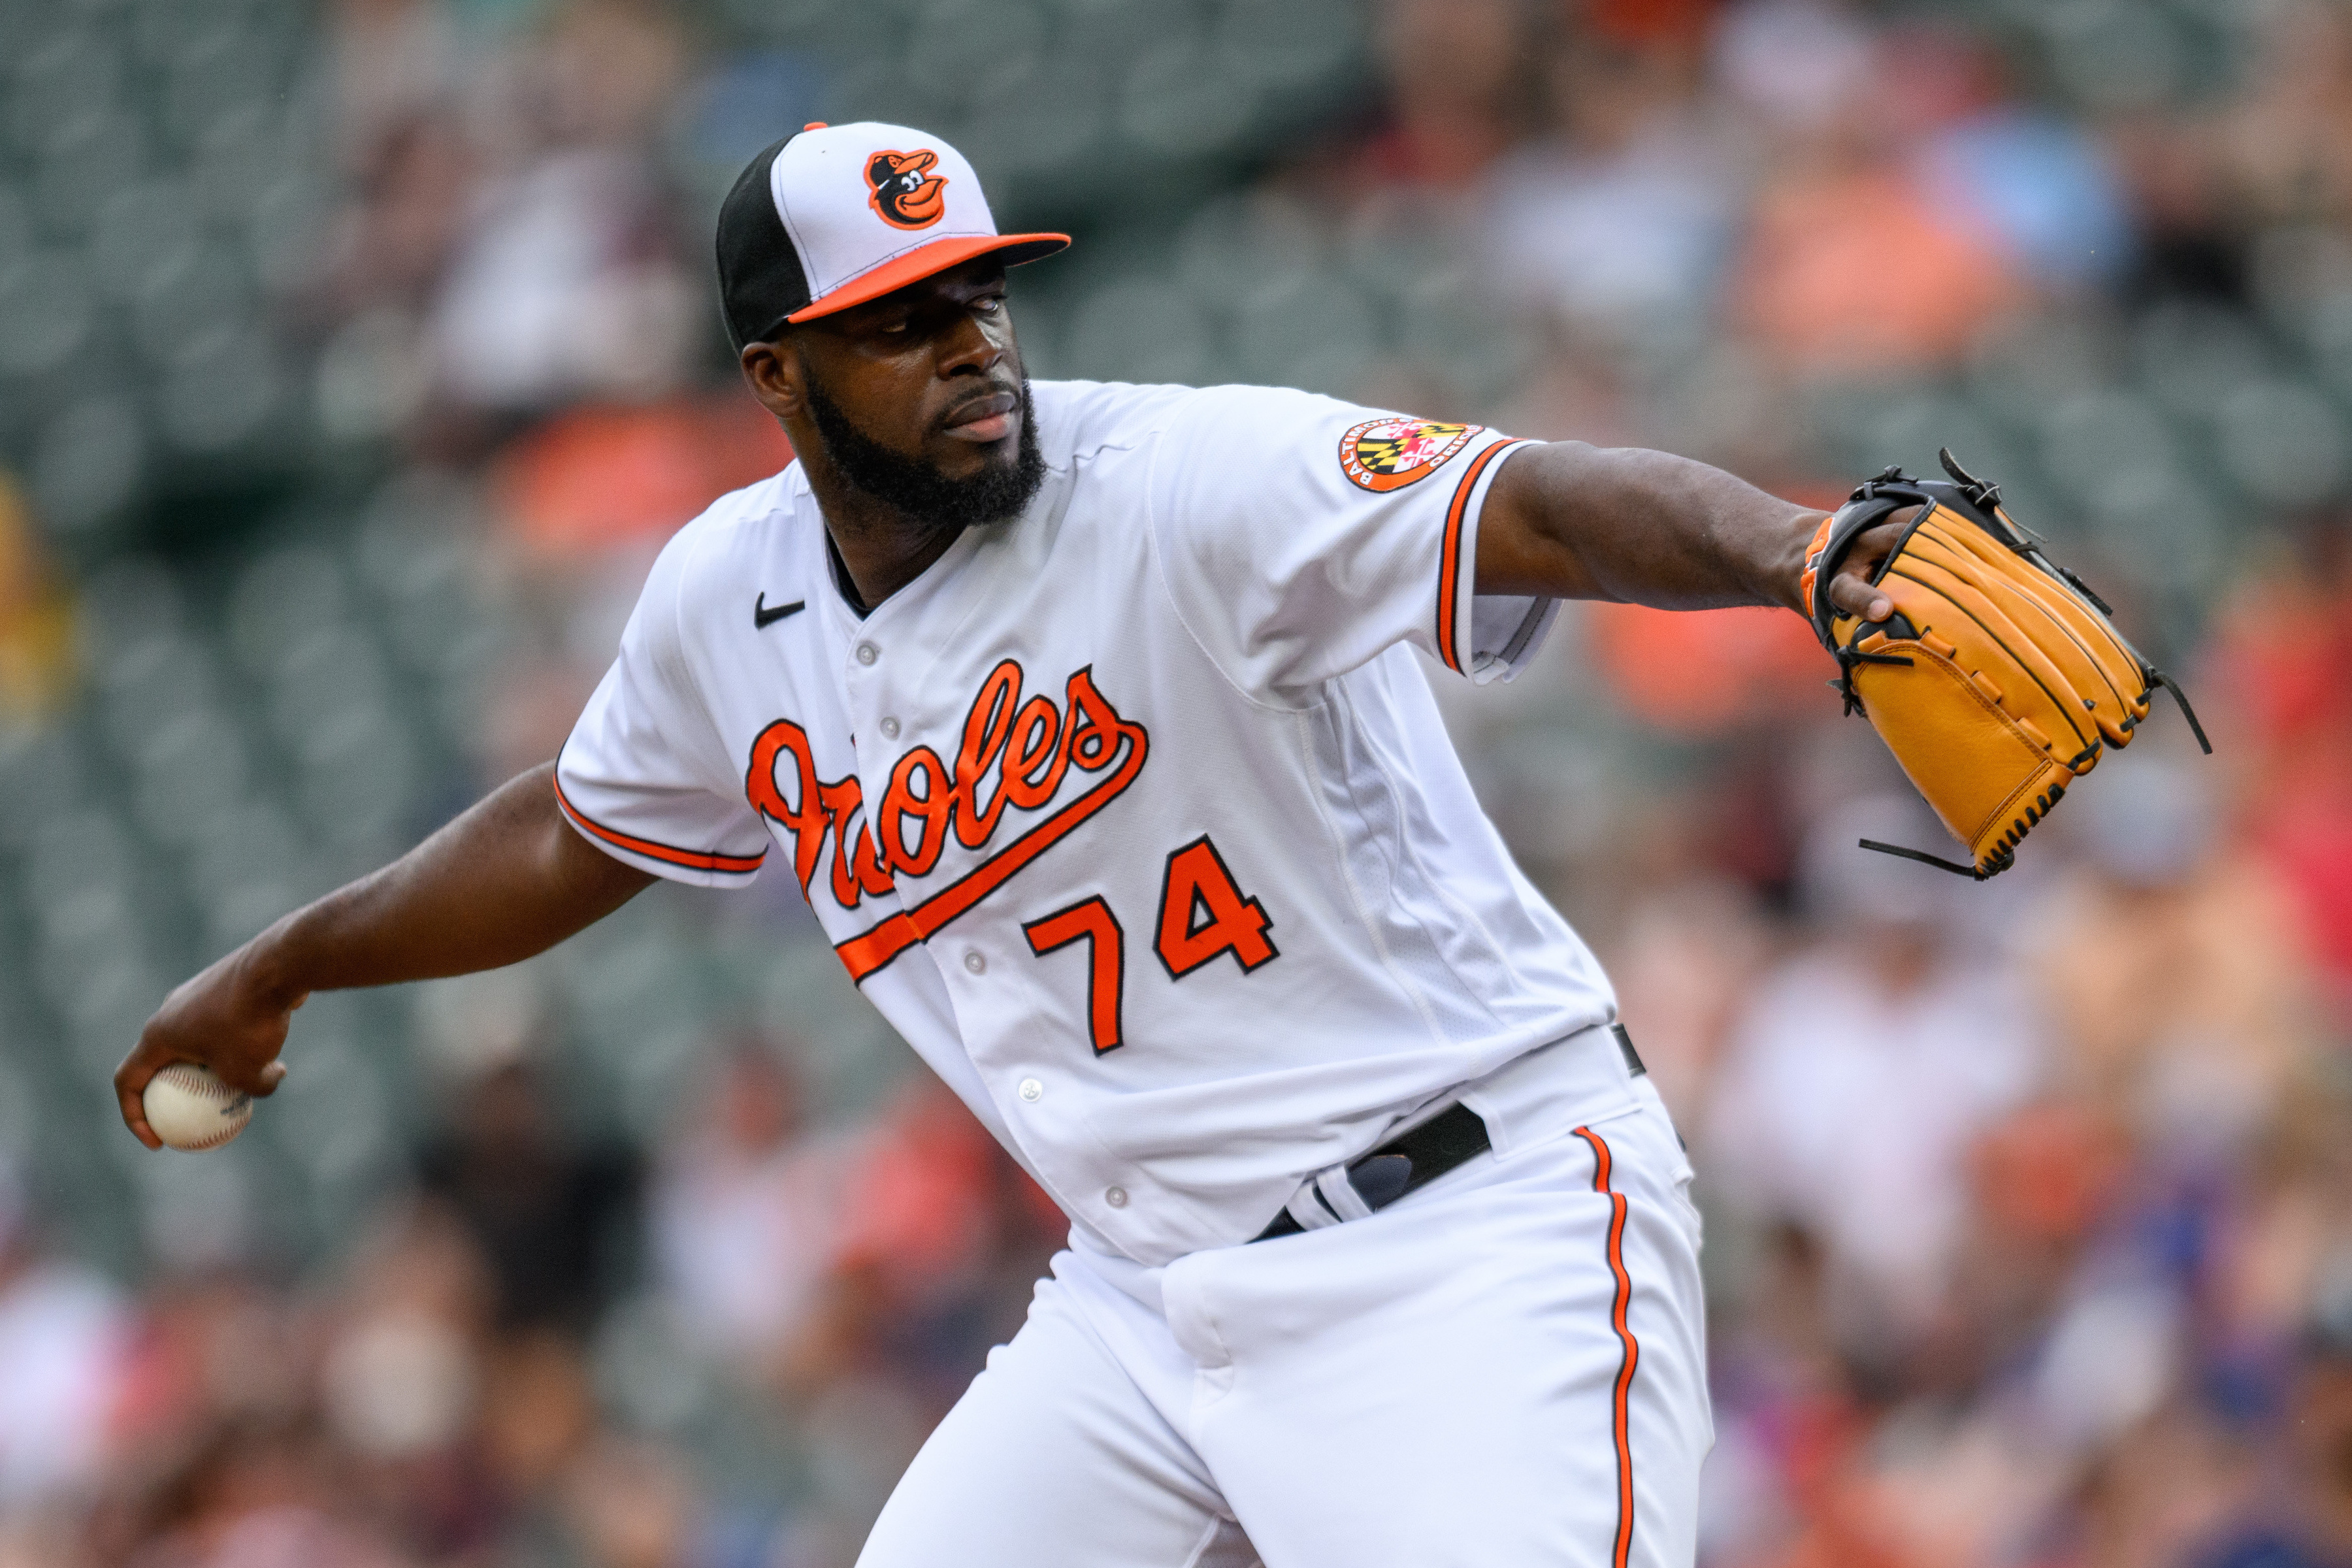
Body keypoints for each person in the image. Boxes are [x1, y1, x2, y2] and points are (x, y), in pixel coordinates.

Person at [118, 122, 1908, 1567]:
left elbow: (1528, 500)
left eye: (980, 294)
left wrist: (1791, 555)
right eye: (904, 320)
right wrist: (289, 965)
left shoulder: (1186, 485)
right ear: (777, 373)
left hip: (1461, 1237)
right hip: (1142, 1301)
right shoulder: (724, 603)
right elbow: (577, 834)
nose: (971, 342)